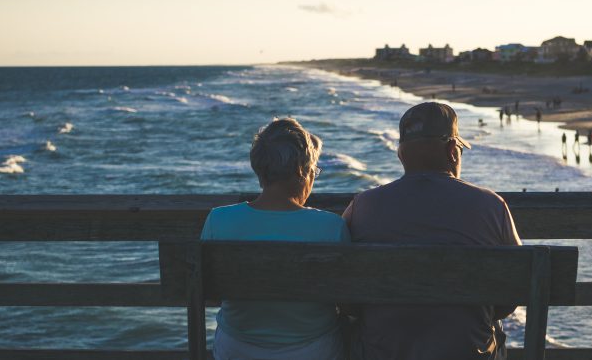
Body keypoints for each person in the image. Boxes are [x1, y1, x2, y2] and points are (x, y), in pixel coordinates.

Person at [343, 102, 521, 360]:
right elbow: (514, 290)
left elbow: (346, 296)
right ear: (452, 151)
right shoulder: (492, 206)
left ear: (401, 155)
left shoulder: (362, 206)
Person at [201, 118, 348, 360]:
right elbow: (346, 300)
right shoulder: (331, 226)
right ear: (303, 171)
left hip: (237, 348)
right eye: (314, 171)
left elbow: (212, 293)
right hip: (313, 350)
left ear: (260, 172)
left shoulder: (218, 220)